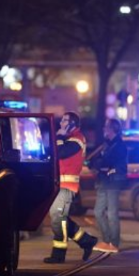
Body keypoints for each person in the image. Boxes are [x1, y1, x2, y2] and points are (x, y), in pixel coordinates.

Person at [44, 112, 97, 264]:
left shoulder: (77, 139)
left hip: (67, 186)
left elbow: (61, 153)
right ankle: (86, 241)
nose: (61, 123)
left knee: (57, 218)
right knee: (60, 218)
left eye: (64, 121)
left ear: (72, 124)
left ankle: (59, 254)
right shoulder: (69, 139)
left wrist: (59, 136)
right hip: (60, 185)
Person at [90, 118, 128, 254]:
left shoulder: (119, 146)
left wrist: (98, 164)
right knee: (98, 212)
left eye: (106, 126)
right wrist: (97, 164)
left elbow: (108, 162)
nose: (103, 129)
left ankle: (114, 243)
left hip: (113, 181)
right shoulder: (107, 144)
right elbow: (98, 161)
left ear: (113, 129)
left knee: (112, 213)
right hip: (104, 181)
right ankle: (106, 240)